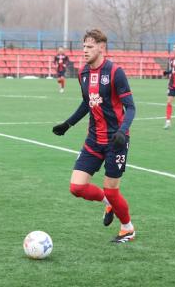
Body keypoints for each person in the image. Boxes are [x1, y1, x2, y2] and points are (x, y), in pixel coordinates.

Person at [52, 29, 136, 243]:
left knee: (113, 190)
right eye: (84, 47)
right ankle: (107, 201)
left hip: (115, 141)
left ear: (101, 47)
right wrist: (68, 124)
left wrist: (121, 131)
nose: (85, 51)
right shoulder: (83, 74)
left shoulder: (116, 72)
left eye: (90, 47)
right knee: (76, 187)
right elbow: (86, 103)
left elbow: (131, 108)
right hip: (93, 139)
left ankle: (127, 228)